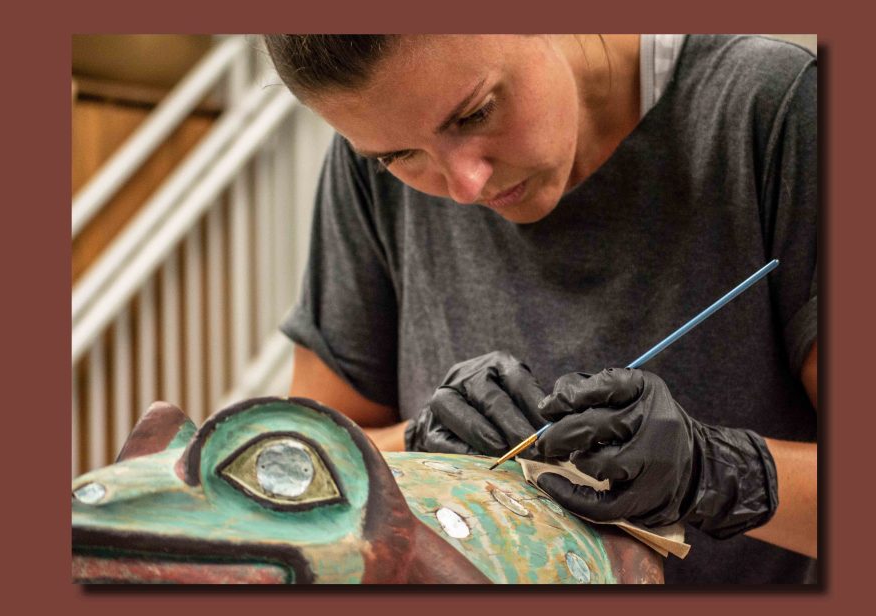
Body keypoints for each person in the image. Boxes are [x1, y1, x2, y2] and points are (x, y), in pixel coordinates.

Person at [264, 34, 817, 584]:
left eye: (475, 113)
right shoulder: (370, 167)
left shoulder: (772, 109)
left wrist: (718, 472)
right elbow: (302, 466)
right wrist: (416, 444)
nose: (465, 186)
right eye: (400, 156)